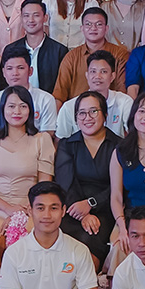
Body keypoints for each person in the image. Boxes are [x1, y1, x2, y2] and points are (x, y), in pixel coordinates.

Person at [0, 88, 56, 255]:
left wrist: (21, 212)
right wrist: (8, 208)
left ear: (30, 110)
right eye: (11, 106)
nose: (17, 111)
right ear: (2, 109)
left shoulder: (42, 140)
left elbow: (44, 184)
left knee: (27, 244)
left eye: (23, 106)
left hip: (30, 206)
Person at [55, 91, 116, 268]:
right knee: (60, 243)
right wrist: (82, 213)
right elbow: (65, 183)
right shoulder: (67, 144)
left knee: (89, 242)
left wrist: (91, 204)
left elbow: (118, 186)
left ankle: (87, 284)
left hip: (105, 209)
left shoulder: (118, 146)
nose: (87, 117)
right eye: (81, 113)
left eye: (93, 111)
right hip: (72, 208)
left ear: (105, 114)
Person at [57, 50, 133, 140]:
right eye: (93, 71)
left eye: (103, 72)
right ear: (87, 75)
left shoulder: (124, 101)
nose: (97, 76)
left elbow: (134, 133)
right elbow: (61, 140)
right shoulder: (69, 106)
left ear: (112, 76)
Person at [58, 7, 127, 103]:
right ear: (82, 29)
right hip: (77, 110)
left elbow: (123, 92)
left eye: (99, 24)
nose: (93, 28)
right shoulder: (71, 57)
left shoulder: (120, 55)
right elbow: (59, 94)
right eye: (88, 24)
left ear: (106, 28)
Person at [4, 0, 70, 98]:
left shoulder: (59, 51)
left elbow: (63, 87)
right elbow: (2, 85)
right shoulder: (10, 49)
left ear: (45, 18)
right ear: (21, 18)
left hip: (48, 103)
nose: (31, 20)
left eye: (36, 15)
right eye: (26, 16)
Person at [0, 51, 59, 134]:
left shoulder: (46, 99)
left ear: (30, 71)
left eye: (20, 68)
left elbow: (47, 135)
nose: (15, 73)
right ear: (3, 72)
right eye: (9, 68)